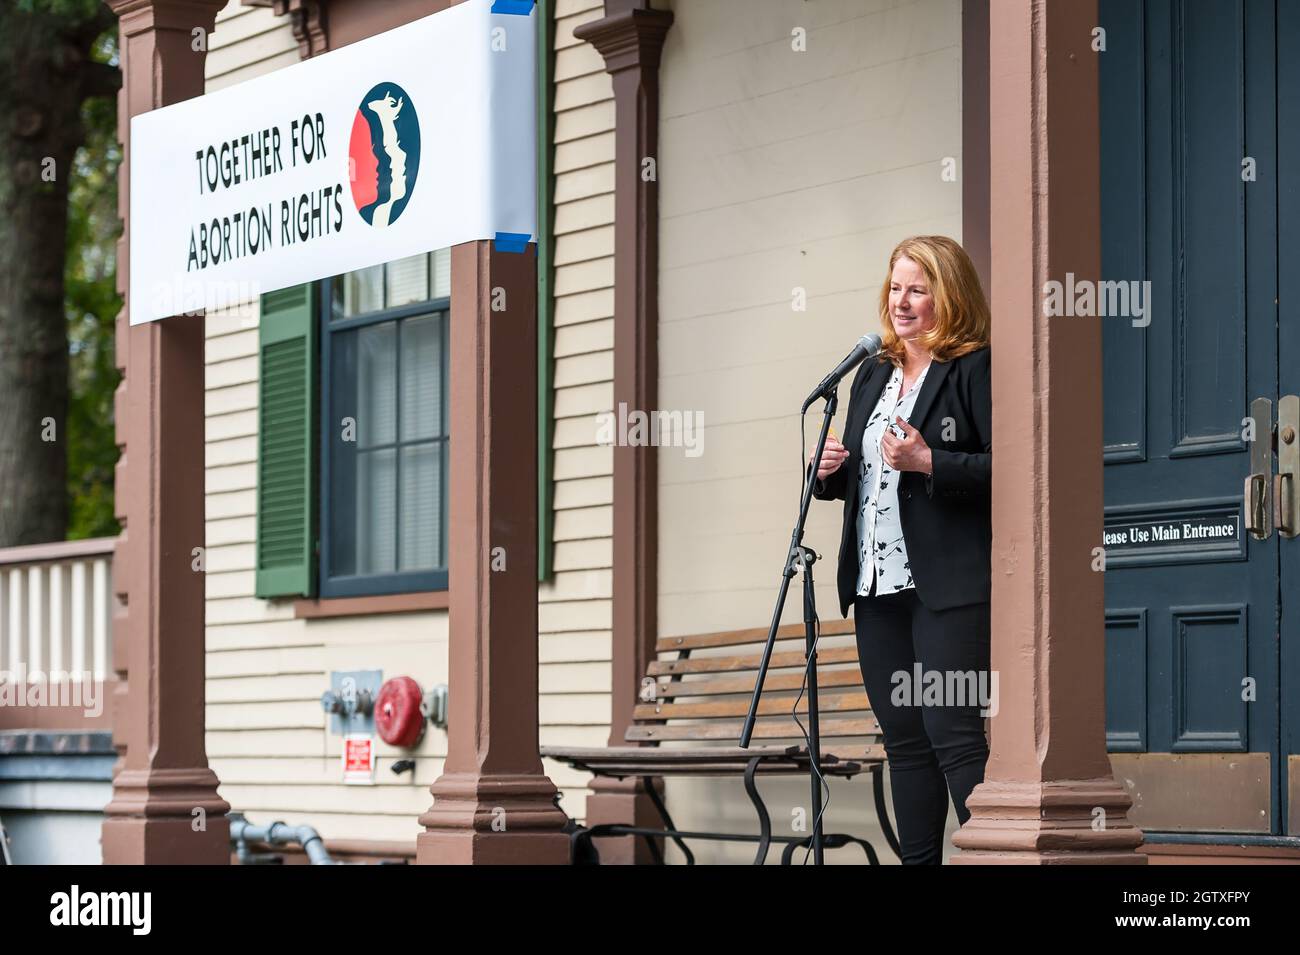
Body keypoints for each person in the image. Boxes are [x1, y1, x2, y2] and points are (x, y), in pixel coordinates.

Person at [810, 235, 992, 865]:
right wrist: (831, 470)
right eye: (896, 287)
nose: (903, 302)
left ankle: (993, 857)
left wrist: (928, 459)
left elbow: (1010, 469)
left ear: (949, 295)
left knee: (954, 735)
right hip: (876, 585)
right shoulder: (874, 372)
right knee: (906, 741)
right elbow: (863, 479)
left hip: (947, 587)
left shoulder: (973, 366)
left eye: (919, 288)